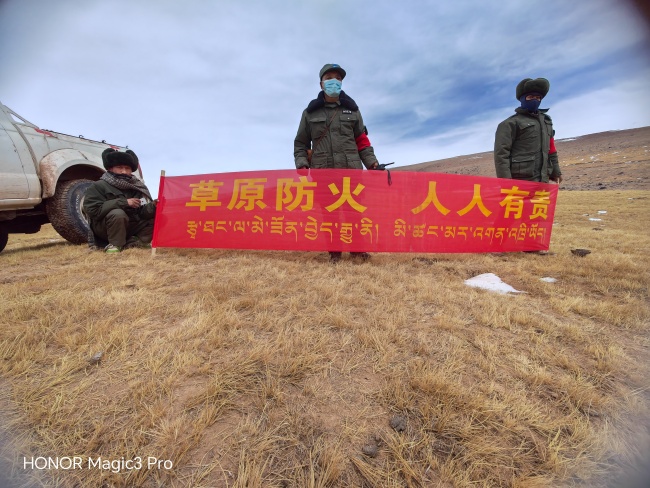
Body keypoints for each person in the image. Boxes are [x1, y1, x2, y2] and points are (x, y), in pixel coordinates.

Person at [294, 63, 379, 262]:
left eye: (339, 78)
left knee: (354, 212)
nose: (335, 81)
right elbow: (301, 142)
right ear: (321, 83)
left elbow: (362, 140)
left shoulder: (353, 110)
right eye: (330, 77)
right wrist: (301, 163)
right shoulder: (310, 113)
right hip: (324, 172)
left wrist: (372, 163)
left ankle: (357, 249)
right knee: (329, 215)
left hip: (351, 171)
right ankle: (335, 252)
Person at [84, 148, 157, 253]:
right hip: (105, 229)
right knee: (118, 213)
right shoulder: (98, 186)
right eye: (119, 167)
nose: (124, 171)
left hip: (129, 227)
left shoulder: (138, 187)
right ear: (110, 169)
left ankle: (136, 242)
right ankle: (115, 245)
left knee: (155, 215)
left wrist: (153, 206)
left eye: (127, 168)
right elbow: (93, 210)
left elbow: (141, 213)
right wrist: (124, 202)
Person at [494, 77, 563, 185]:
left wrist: (556, 172)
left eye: (538, 97)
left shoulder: (546, 121)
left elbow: (551, 149)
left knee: (540, 203)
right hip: (520, 181)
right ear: (522, 99)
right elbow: (501, 155)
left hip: (543, 180)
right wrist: (506, 183)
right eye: (530, 97)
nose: (535, 100)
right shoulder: (509, 124)